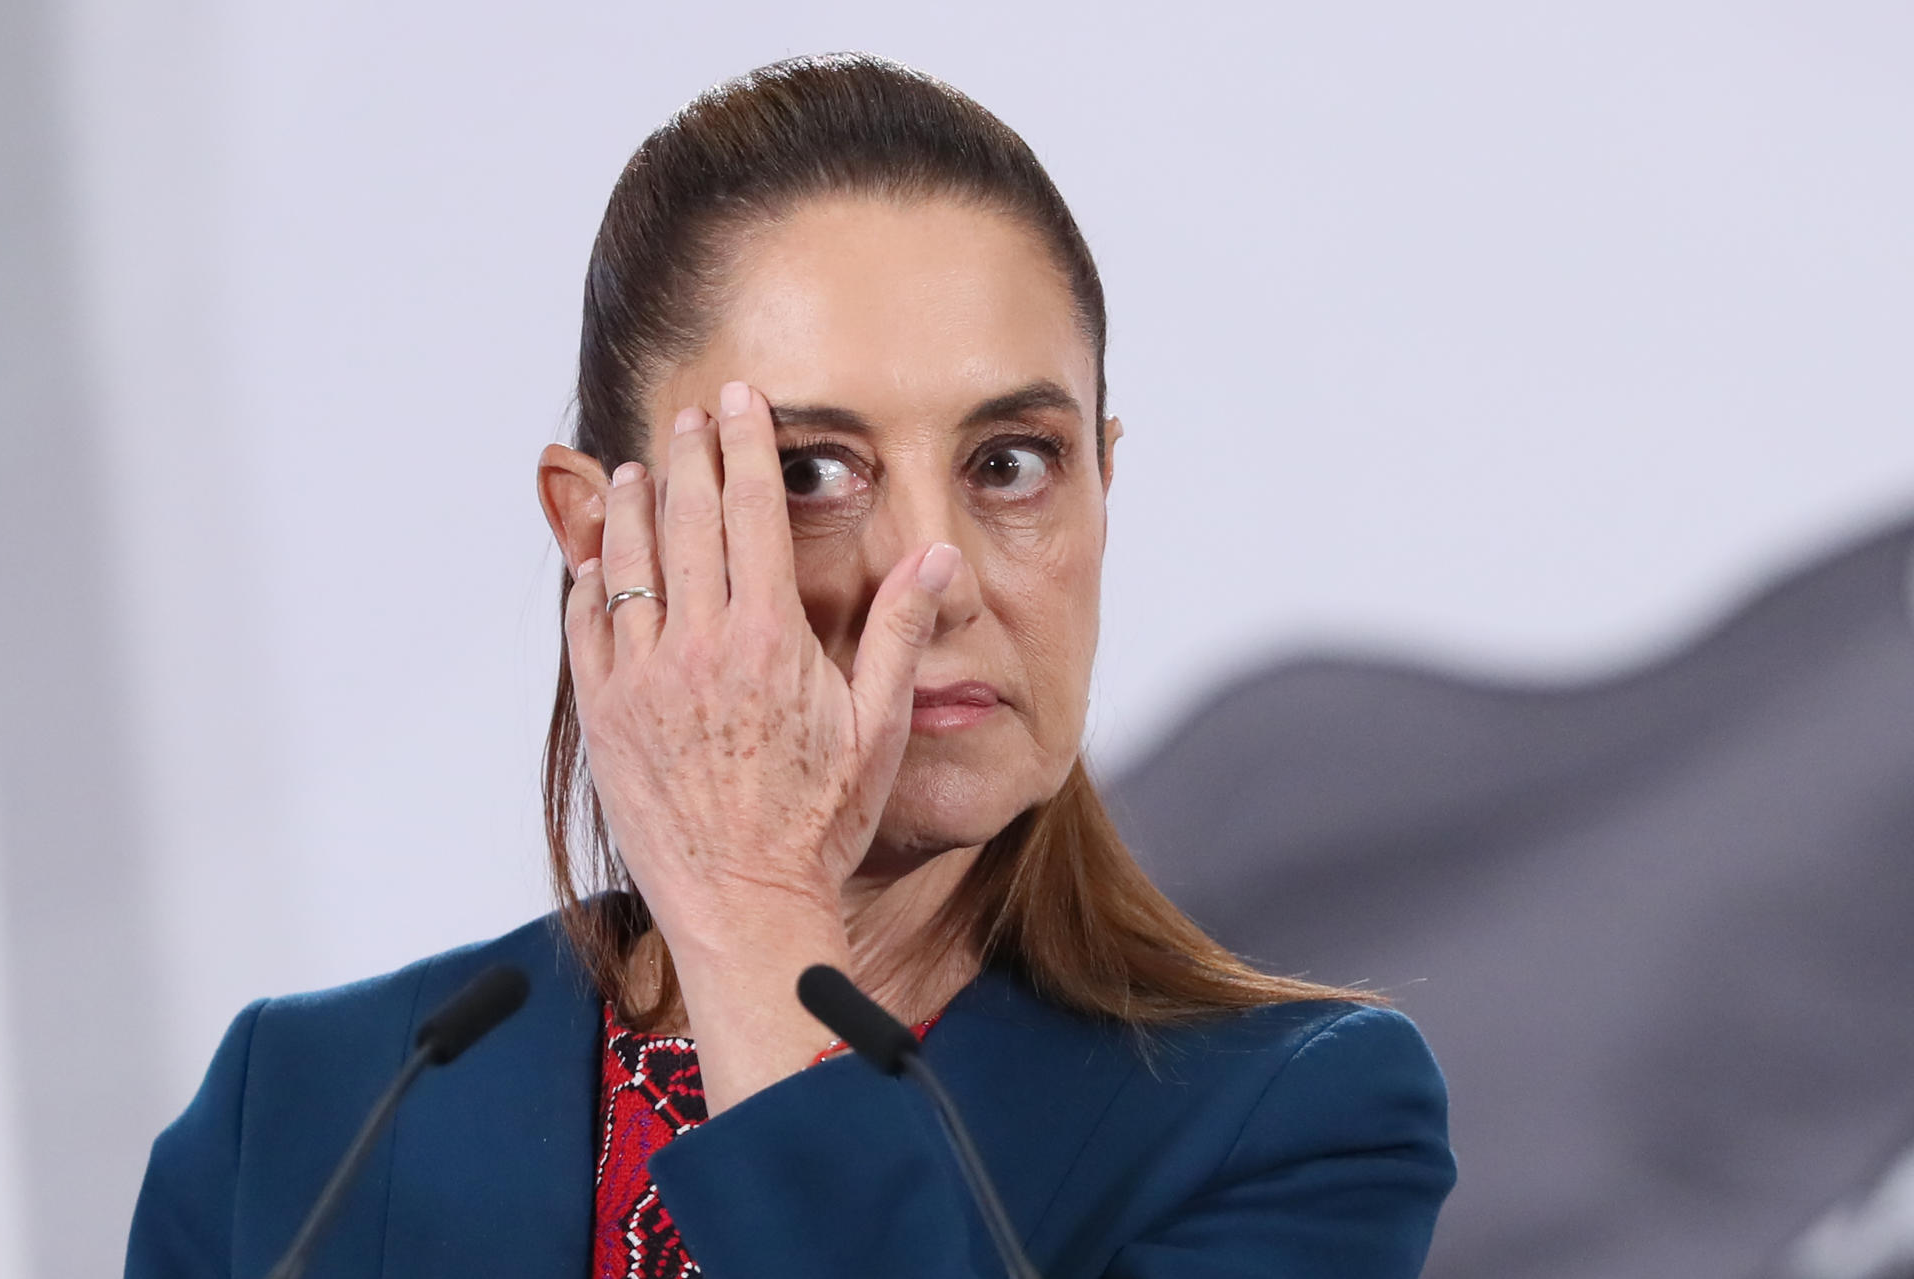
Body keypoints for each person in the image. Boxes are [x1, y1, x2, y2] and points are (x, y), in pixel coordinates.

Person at [125, 51, 1456, 1279]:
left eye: (1011, 464)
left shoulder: (1299, 1120)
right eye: (810, 472)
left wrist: (757, 910)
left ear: (1104, 484)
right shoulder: (301, 1117)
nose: (932, 576)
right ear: (603, 535)